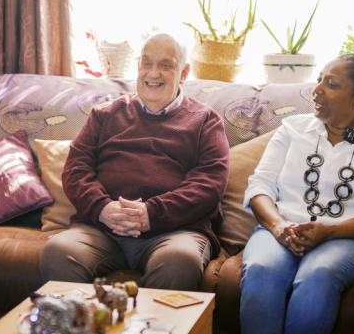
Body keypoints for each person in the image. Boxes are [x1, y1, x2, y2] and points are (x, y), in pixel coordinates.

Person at [40, 33, 230, 290]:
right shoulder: (105, 115)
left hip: (175, 233)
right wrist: (103, 209)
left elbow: (209, 184)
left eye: (165, 65)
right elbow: (76, 170)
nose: (153, 73)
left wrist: (152, 213)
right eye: (146, 63)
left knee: (179, 261)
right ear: (138, 66)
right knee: (59, 251)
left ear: (184, 72)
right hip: (103, 230)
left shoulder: (206, 121)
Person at [240, 53, 354, 334]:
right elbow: (260, 186)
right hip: (283, 228)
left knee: (318, 274)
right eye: (319, 79)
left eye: (331, 84)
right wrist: (278, 226)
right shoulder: (292, 129)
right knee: (261, 268)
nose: (316, 88)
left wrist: (328, 232)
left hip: (351, 237)